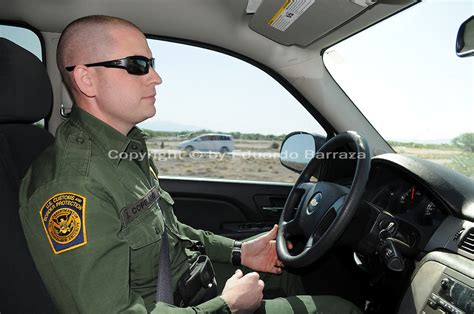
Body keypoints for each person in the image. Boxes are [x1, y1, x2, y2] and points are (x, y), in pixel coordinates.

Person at [19, 15, 362, 313]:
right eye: (138, 65)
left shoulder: (127, 148)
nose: (156, 78)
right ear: (86, 79)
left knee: (289, 273)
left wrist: (240, 252)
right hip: (176, 304)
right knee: (341, 309)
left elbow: (169, 232)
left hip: (189, 282)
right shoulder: (72, 185)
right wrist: (226, 306)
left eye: (153, 64)